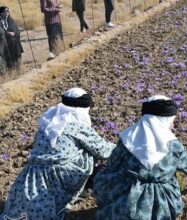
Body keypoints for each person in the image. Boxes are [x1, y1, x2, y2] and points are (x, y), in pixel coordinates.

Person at [94, 95, 187, 220]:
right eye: (171, 121)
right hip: (160, 202)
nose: (173, 126)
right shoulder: (171, 145)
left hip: (126, 197)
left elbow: (112, 164)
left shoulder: (127, 139)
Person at [0, 88, 116, 220]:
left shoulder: (47, 124)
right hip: (61, 176)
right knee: (89, 156)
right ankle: (93, 195)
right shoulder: (77, 127)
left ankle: (78, 193)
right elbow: (105, 150)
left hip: (29, 179)